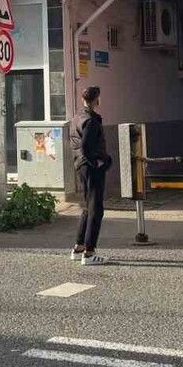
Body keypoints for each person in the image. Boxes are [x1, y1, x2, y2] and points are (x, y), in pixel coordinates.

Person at [70, 85, 112, 266]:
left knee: (88, 206)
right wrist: (99, 162)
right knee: (96, 209)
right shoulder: (91, 121)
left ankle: (79, 247)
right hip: (91, 167)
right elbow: (87, 146)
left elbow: (79, 145)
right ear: (97, 100)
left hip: (80, 165)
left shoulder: (77, 117)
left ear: (83, 99)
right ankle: (89, 252)